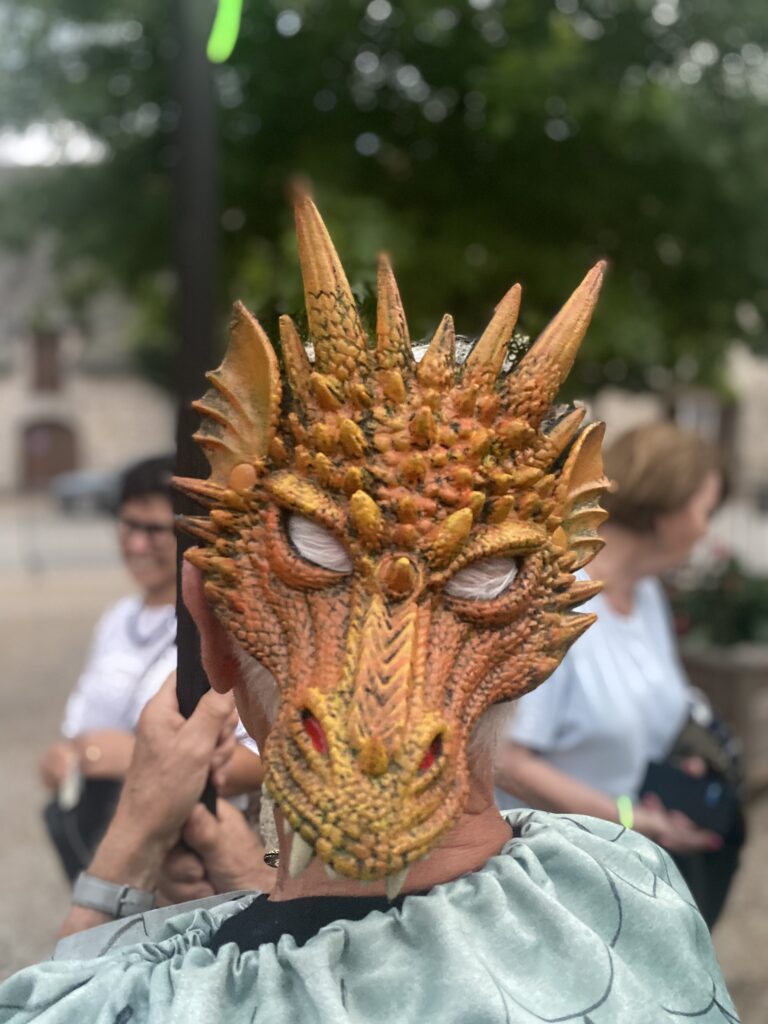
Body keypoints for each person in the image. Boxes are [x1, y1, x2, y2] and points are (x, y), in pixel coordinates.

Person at [0, 194, 738, 1022]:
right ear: (541, 653)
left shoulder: (127, 1005)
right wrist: (253, 895)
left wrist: (124, 854)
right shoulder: (639, 891)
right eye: (313, 543)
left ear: (206, 626)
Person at [495, 422, 745, 927]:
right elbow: (505, 761)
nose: (706, 531)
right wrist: (630, 818)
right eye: (704, 511)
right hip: (548, 883)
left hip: (617, 867)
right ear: (665, 507)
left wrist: (679, 770)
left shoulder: (646, 596)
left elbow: (654, 709)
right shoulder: (558, 598)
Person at [39, 455, 264, 879]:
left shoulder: (228, 627)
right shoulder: (117, 619)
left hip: (195, 858)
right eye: (129, 525)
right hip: (108, 839)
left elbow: (261, 762)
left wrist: (134, 759)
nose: (138, 544)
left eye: (156, 530)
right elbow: (83, 731)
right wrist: (65, 758)